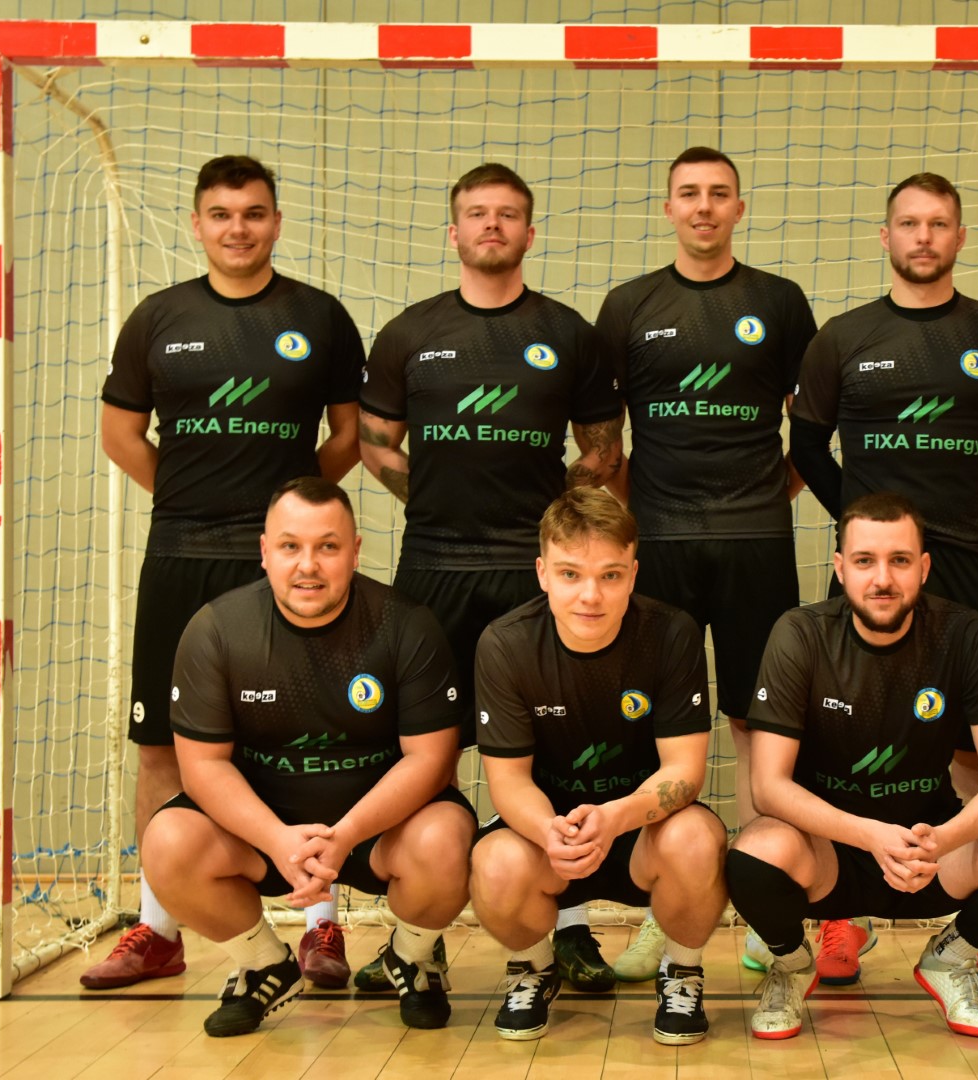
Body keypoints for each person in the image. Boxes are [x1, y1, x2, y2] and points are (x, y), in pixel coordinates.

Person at [90, 155, 365, 991]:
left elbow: (349, 436)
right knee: (160, 748)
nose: (237, 228)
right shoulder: (158, 318)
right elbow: (121, 435)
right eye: (221, 214)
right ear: (197, 224)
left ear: (275, 221)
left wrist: (287, 523)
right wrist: (187, 500)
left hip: (286, 567)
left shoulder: (318, 316)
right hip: (180, 556)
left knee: (308, 739)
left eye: (252, 213)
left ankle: (320, 925)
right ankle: (157, 929)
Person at [356, 163, 623, 992]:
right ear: (454, 231)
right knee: (427, 753)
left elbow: (604, 449)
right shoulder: (409, 333)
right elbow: (375, 442)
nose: (492, 226)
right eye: (477, 213)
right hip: (433, 566)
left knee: (552, 749)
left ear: (529, 233)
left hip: (531, 571)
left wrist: (555, 513)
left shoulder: (568, 333)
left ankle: (565, 926)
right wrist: (432, 495)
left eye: (508, 214)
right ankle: (418, 940)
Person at [787, 172, 978, 986]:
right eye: (909, 223)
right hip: (874, 574)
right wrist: (863, 529)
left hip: (966, 559)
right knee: (844, 739)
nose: (923, 237)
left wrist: (969, 512)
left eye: (938, 223)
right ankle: (841, 918)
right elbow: (806, 444)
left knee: (974, 745)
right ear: (885, 236)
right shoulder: (844, 337)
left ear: (959, 236)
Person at [726, 493, 978, 1041]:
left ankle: (951, 958)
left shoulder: (964, 633)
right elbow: (769, 786)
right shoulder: (801, 633)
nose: (882, 578)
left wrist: (942, 839)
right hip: (832, 852)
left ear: (924, 567)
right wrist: (870, 836)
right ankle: (791, 965)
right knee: (752, 856)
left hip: (930, 848)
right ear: (840, 568)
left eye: (900, 560)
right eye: (865, 560)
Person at [591, 146, 816, 983]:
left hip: (757, 543)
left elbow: (810, 430)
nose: (704, 207)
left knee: (762, 727)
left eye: (720, 194)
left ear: (739, 208)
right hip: (660, 545)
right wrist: (640, 517)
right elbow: (604, 439)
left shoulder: (779, 302)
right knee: (657, 728)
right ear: (668, 208)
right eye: (689, 193)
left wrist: (762, 498)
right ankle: (667, 911)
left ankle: (766, 913)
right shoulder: (629, 306)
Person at [139, 478, 476, 1037]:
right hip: (264, 837)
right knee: (167, 843)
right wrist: (278, 840)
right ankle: (263, 965)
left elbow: (431, 759)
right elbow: (201, 767)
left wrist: (344, 836)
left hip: (375, 835)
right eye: (290, 546)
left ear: (356, 550)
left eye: (328, 546)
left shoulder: (406, 625)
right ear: (264, 551)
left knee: (449, 839)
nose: (308, 565)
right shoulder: (217, 630)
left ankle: (412, 958)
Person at [467, 488, 727, 1045]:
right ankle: (534, 968)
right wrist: (547, 830)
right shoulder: (505, 645)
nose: (591, 595)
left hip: (640, 830)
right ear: (542, 573)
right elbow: (508, 782)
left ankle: (681, 972)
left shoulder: (671, 633)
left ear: (633, 575)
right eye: (570, 574)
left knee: (699, 840)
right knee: (493, 863)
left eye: (610, 575)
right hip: (551, 837)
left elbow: (684, 771)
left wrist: (615, 817)